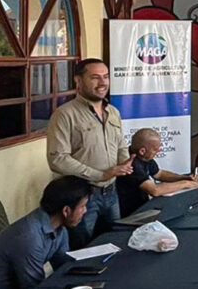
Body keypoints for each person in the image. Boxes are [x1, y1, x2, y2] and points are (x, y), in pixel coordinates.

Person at [46, 58, 134, 247]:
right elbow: (58, 159)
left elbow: (120, 144)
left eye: (106, 77)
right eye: (95, 77)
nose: (102, 83)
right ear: (78, 81)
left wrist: (125, 162)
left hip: (111, 192)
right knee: (84, 249)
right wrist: (100, 175)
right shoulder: (64, 114)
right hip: (82, 197)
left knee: (116, 242)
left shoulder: (113, 112)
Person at [117, 129, 198, 217]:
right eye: (155, 149)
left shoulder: (144, 156)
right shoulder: (131, 163)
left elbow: (159, 174)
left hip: (142, 204)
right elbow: (155, 190)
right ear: (142, 151)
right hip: (131, 212)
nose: (159, 151)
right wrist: (185, 184)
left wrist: (185, 177)